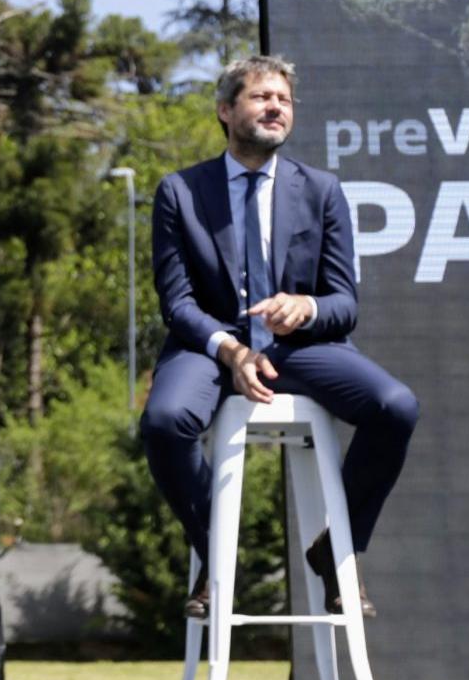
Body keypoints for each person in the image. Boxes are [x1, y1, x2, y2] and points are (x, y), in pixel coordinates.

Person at [140, 55, 417, 620]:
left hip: (300, 351)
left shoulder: (321, 189)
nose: (275, 107)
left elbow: (345, 305)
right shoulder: (180, 192)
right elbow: (178, 304)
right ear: (225, 110)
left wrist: (306, 306)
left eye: (284, 100)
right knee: (164, 422)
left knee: (396, 407)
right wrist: (232, 348)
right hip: (211, 350)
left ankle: (336, 548)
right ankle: (216, 555)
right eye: (261, 97)